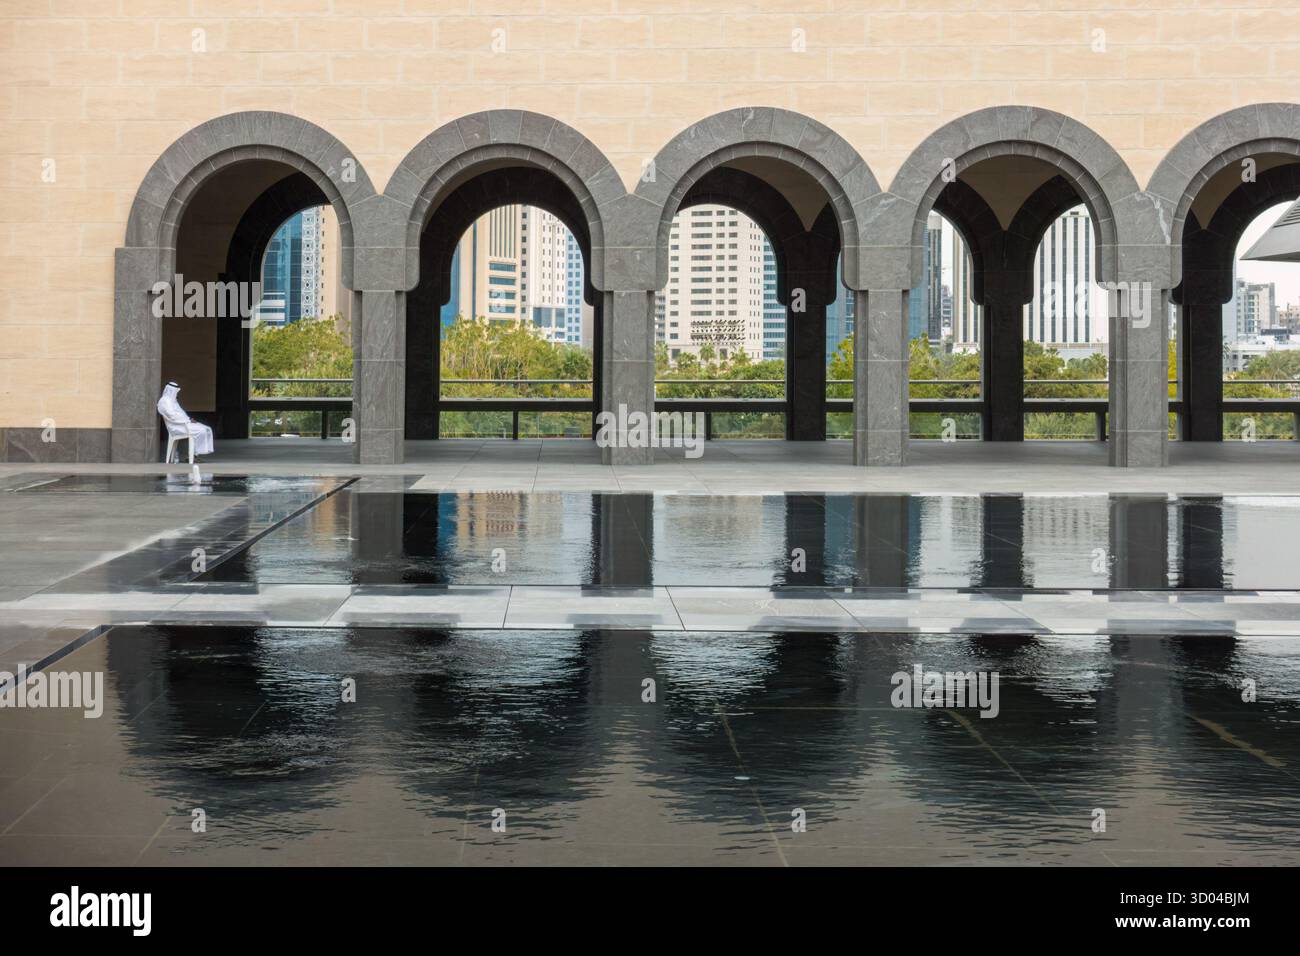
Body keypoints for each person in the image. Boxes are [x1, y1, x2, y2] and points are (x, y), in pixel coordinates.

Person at [156, 381, 214, 458]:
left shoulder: (172, 400)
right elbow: (172, 416)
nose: (176, 393)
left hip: (183, 423)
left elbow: (181, 414)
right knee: (202, 430)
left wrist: (189, 419)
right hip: (176, 427)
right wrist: (188, 421)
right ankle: (193, 455)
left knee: (207, 429)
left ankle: (195, 454)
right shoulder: (164, 401)